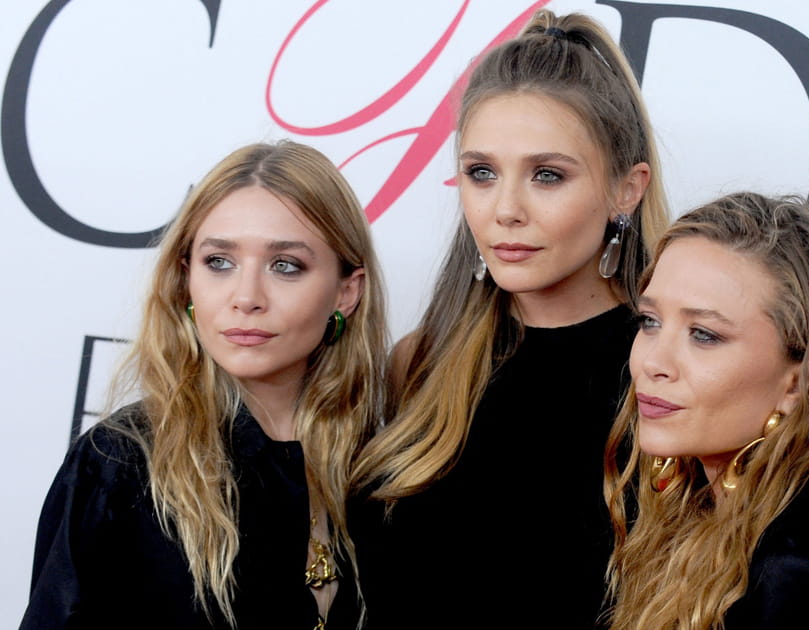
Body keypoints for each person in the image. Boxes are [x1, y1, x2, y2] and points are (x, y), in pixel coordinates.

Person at [350, 9, 669, 629]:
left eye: (547, 175)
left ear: (626, 190)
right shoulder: (420, 363)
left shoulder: (663, 380)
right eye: (481, 173)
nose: (505, 210)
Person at [20, 140, 386, 630]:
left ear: (347, 291)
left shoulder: (384, 470)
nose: (246, 297)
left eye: (285, 266)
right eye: (219, 261)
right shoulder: (118, 467)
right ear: (185, 278)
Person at [605, 192, 809, 630]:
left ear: (798, 379)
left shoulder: (807, 564)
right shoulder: (721, 505)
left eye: (704, 335)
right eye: (650, 321)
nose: (653, 363)